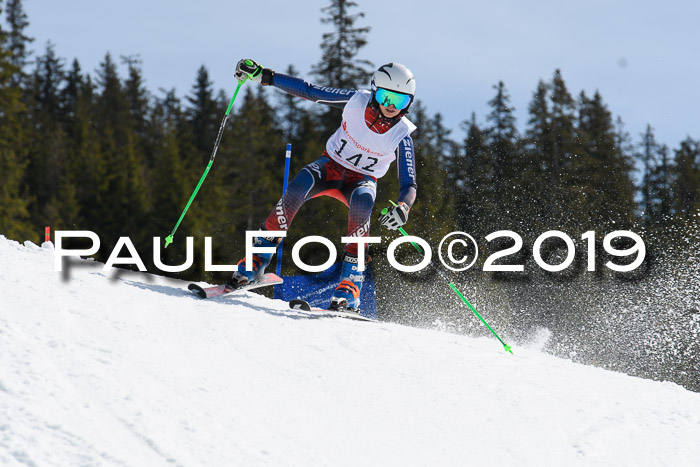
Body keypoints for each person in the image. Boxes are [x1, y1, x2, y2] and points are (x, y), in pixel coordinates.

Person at [231, 59, 418, 312]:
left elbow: (409, 183)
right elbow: (311, 91)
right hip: (329, 168)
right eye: (385, 97)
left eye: (400, 101)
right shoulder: (356, 101)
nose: (390, 107)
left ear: (408, 104)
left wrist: (404, 207)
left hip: (361, 181)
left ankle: (351, 284)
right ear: (374, 91)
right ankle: (257, 259)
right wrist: (264, 76)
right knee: (300, 183)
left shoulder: (402, 135)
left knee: (363, 203)